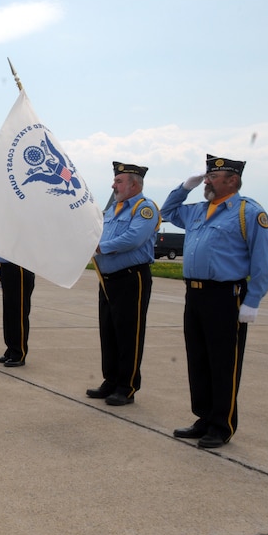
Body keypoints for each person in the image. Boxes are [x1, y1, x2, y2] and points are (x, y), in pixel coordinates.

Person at [162, 154, 268, 448]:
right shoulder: (198, 210)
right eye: (207, 176)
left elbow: (263, 263)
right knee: (198, 359)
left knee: (223, 362)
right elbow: (168, 211)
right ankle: (203, 417)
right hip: (195, 295)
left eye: (213, 177)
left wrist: (253, 301)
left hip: (226, 297)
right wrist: (185, 186)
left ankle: (221, 425)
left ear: (232, 180)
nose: (207, 181)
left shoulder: (247, 212)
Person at [87, 162, 160, 405]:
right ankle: (110, 380)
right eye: (115, 180)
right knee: (108, 331)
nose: (113, 185)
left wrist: (100, 248)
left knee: (129, 333)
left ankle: (126, 386)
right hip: (107, 280)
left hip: (131, 279)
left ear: (134, 184)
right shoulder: (112, 210)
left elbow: (133, 238)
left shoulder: (144, 208)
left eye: (118, 181)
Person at [0, 257, 35, 367]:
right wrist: (0, 273)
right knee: (9, 313)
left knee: (18, 313)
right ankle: (11, 349)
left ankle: (19, 353)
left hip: (19, 267)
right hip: (6, 267)